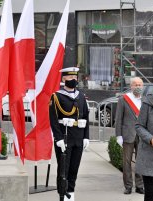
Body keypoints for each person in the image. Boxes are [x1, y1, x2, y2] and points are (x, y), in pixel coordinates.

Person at [49, 67, 90, 201]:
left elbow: (86, 117)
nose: (74, 80)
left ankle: (70, 195)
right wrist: (58, 138)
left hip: (78, 138)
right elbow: (54, 119)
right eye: (70, 78)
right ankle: (62, 194)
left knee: (74, 169)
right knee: (63, 169)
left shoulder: (81, 96)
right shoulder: (56, 96)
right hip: (64, 138)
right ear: (63, 79)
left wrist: (86, 136)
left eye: (75, 78)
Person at [115, 77, 144, 195]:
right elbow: (118, 119)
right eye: (135, 85)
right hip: (127, 134)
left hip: (142, 135)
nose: (138, 87)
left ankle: (140, 186)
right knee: (126, 162)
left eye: (140, 85)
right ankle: (128, 186)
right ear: (131, 86)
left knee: (141, 161)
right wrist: (118, 136)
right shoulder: (124, 99)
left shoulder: (146, 100)